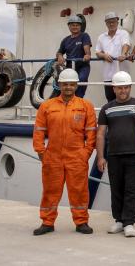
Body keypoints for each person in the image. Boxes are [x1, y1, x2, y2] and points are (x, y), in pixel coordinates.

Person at [32, 68, 97, 235]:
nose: (68, 87)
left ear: (76, 86)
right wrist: (41, 152)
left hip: (77, 156)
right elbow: (39, 130)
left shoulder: (85, 106)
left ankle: (81, 222)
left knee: (80, 191)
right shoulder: (47, 106)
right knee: (50, 191)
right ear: (59, 84)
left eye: (71, 84)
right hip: (52, 156)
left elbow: (91, 133)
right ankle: (47, 222)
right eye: (65, 84)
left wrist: (86, 153)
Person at [96, 71, 135, 238]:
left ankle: (129, 223)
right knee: (116, 189)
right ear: (114, 89)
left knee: (132, 190)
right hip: (113, 155)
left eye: (126, 87)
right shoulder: (107, 109)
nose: (123, 91)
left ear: (130, 87)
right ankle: (119, 221)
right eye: (120, 88)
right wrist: (100, 156)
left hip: (134, 155)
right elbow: (100, 134)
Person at [96, 11, 131, 103]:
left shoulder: (123, 33)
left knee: (124, 98)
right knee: (110, 99)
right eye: (109, 22)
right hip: (108, 75)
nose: (111, 24)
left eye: (113, 21)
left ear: (117, 22)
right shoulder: (101, 37)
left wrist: (123, 54)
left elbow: (126, 44)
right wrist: (104, 55)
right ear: (106, 23)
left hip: (122, 74)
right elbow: (98, 52)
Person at [55, 15, 91, 98]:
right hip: (69, 67)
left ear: (80, 26)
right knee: (68, 83)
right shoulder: (66, 40)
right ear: (69, 26)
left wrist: (87, 55)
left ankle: (79, 100)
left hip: (82, 66)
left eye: (77, 25)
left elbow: (87, 49)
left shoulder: (84, 36)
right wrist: (60, 56)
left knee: (81, 80)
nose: (75, 27)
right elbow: (59, 52)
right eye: (73, 25)